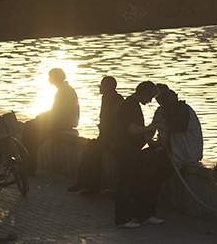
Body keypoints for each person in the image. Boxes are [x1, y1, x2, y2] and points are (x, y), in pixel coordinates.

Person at [114, 81, 167, 229]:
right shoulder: (130, 105)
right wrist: (151, 127)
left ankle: (142, 216)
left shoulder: (132, 104)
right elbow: (131, 129)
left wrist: (147, 134)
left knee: (135, 183)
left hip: (131, 149)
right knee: (126, 184)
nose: (150, 101)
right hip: (126, 150)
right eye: (150, 96)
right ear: (143, 92)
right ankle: (123, 219)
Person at [68, 76, 123, 194]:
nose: (100, 89)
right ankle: (83, 182)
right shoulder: (106, 98)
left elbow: (117, 123)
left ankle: (92, 187)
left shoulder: (117, 100)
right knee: (88, 149)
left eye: (102, 86)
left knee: (94, 152)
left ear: (108, 88)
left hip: (113, 139)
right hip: (105, 136)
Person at [21, 68, 79, 175]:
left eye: (50, 77)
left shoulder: (64, 91)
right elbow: (56, 111)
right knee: (30, 127)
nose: (49, 79)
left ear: (56, 78)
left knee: (31, 132)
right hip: (61, 121)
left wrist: (41, 117)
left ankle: (29, 166)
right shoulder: (63, 89)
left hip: (64, 123)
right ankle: (28, 164)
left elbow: (58, 112)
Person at [151, 85, 203, 171]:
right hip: (173, 153)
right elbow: (153, 130)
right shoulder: (161, 111)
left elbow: (179, 127)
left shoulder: (184, 109)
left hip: (187, 154)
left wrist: (166, 117)